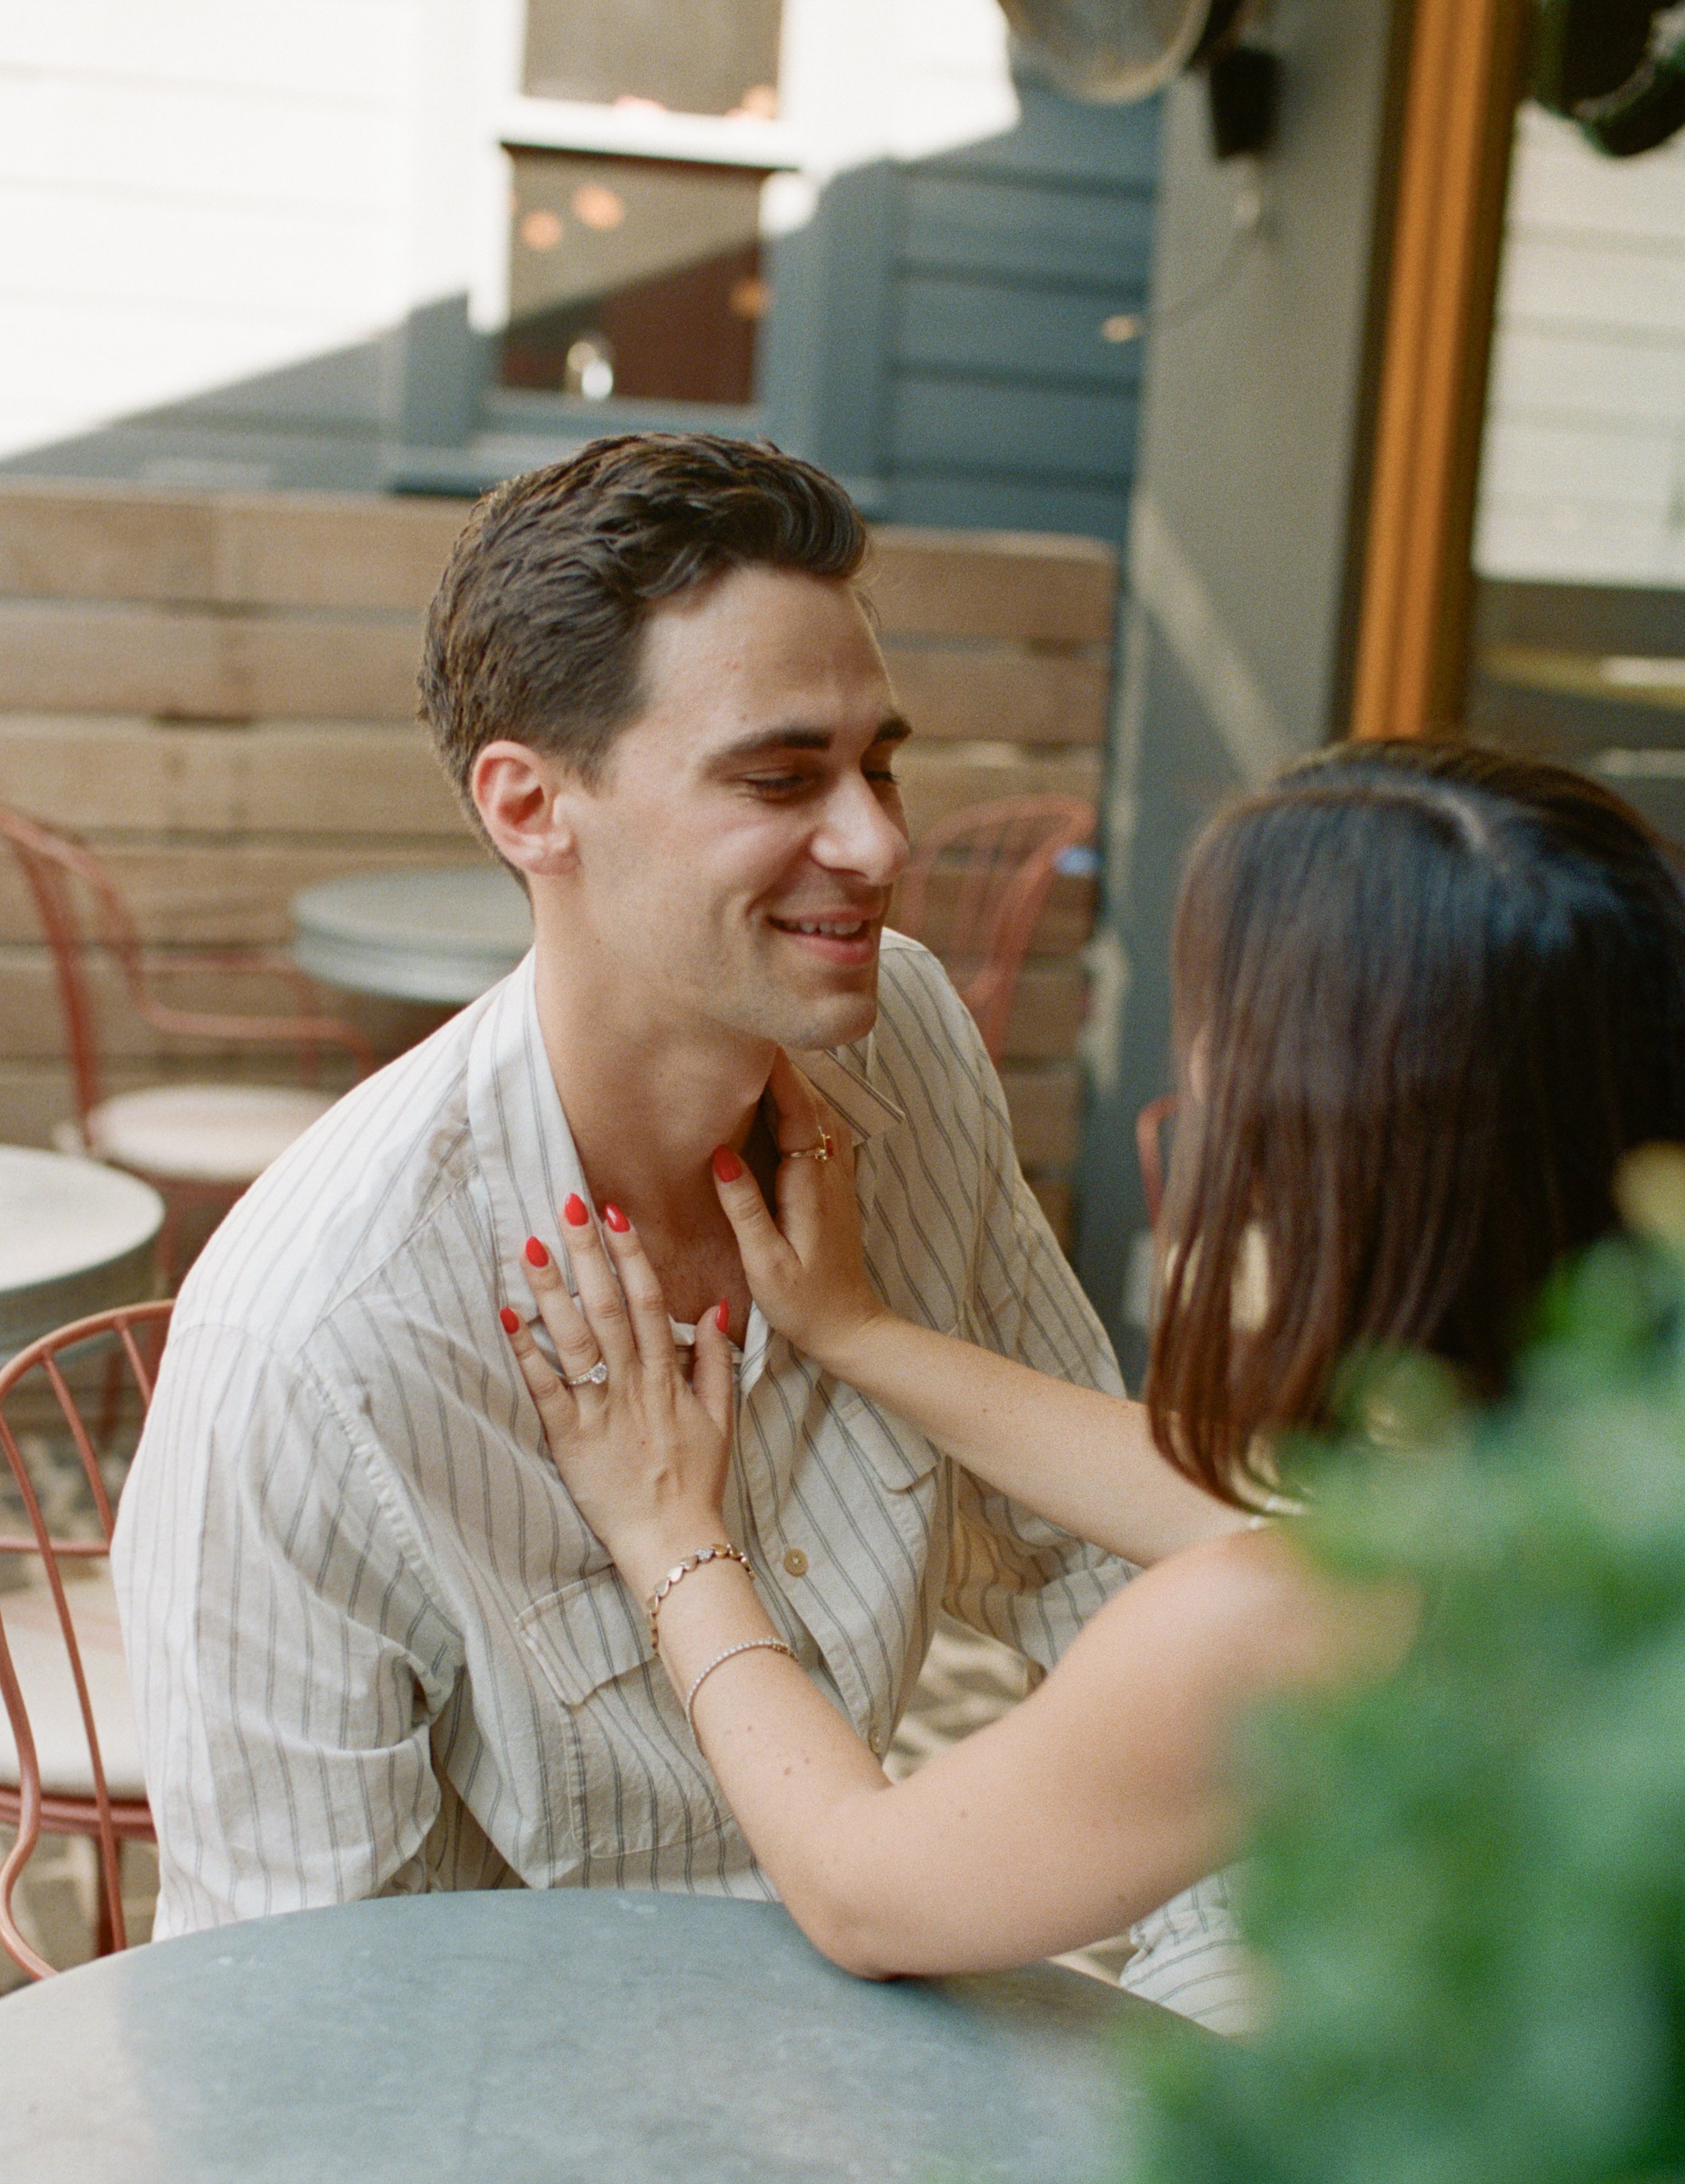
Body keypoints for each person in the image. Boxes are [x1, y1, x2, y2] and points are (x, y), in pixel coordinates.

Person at [113, 431, 1234, 1944]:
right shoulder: (318, 1346)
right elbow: (287, 2015)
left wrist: (1213, 2020)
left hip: (881, 2025)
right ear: (528, 807)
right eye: (781, 777)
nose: (877, 841)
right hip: (512, 2127)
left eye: (879, 763)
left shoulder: (900, 1038)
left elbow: (1090, 1564)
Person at [500, 741, 1685, 2022]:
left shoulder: (1263, 1630)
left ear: (1334, 1155)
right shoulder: (1602, 1461)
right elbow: (1275, 1498)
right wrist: (857, 1332)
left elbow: (862, 1890)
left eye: (1212, 1085)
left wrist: (672, 1536)